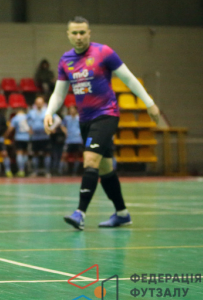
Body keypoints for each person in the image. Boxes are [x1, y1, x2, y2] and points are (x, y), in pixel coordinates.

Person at [44, 16, 160, 230]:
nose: (79, 37)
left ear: (89, 33)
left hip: (106, 115)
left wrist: (149, 103)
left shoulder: (103, 52)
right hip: (85, 120)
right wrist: (49, 112)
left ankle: (80, 213)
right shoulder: (66, 60)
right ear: (68, 35)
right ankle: (122, 214)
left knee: (90, 161)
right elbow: (59, 94)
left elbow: (129, 78)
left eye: (82, 32)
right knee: (105, 169)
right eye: (74, 33)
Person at [27, 95, 52, 177]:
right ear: (35, 103)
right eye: (37, 103)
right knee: (35, 154)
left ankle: (47, 171)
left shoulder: (47, 112)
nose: (39, 104)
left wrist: (52, 128)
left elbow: (56, 120)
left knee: (47, 154)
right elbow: (27, 122)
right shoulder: (31, 112)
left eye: (40, 103)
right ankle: (35, 171)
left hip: (45, 137)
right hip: (35, 137)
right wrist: (29, 129)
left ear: (43, 103)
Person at [4, 107, 30, 177]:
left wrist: (5, 135)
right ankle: (25, 169)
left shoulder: (15, 118)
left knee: (19, 153)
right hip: (27, 138)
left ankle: (21, 170)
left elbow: (10, 128)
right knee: (25, 153)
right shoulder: (27, 117)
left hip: (19, 137)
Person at [60, 105, 83, 175]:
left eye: (73, 109)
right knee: (64, 155)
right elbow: (62, 125)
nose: (72, 111)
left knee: (77, 156)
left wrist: (80, 132)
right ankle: (62, 171)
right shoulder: (67, 118)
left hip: (78, 140)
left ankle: (76, 172)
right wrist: (65, 132)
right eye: (70, 110)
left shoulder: (79, 118)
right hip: (69, 140)